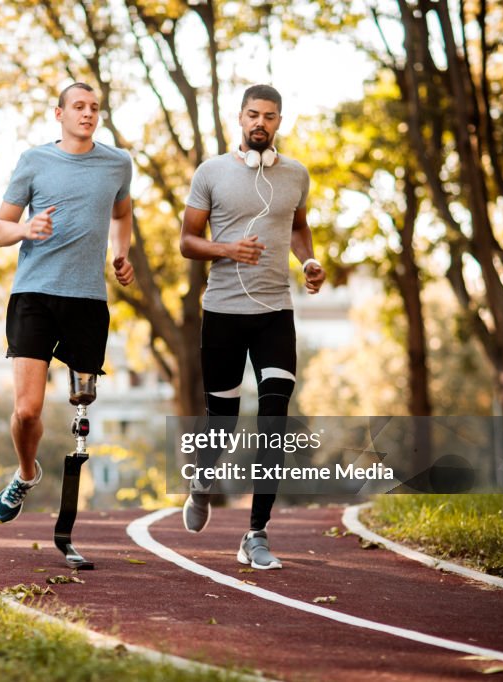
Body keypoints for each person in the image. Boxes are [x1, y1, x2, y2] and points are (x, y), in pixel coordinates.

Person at [179, 84, 325, 569]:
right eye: (253, 115)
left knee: (275, 420)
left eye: (269, 116)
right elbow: (187, 242)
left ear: (279, 122)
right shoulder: (211, 173)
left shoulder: (296, 175)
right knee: (220, 421)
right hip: (222, 312)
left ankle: (256, 532)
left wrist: (308, 262)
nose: (260, 123)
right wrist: (227, 249)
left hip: (274, 313)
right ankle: (201, 480)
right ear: (239, 118)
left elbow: (299, 228)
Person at [0, 82, 134, 523]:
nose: (87, 114)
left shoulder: (117, 163)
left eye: (94, 108)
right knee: (27, 409)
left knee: (82, 399)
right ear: (59, 114)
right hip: (34, 294)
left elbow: (122, 213)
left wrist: (120, 254)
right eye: (78, 107)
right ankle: (26, 473)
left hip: (87, 299)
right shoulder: (34, 161)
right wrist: (25, 230)